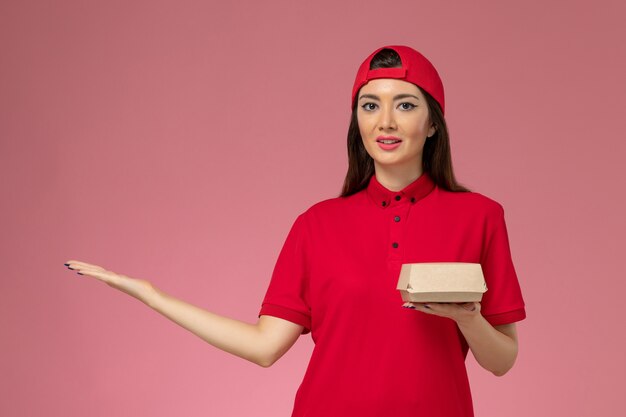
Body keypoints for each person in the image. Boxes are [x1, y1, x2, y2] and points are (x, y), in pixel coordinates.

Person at [65, 45, 526, 417]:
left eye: (405, 105)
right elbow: (265, 347)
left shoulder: (479, 217)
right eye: (370, 105)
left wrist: (467, 317)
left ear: (432, 124)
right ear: (358, 122)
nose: (385, 121)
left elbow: (502, 361)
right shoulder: (316, 225)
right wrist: (151, 295)